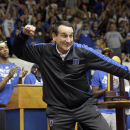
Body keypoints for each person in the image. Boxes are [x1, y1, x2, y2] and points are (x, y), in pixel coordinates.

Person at [13, 21, 130, 130]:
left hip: (84, 106)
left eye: (71, 36)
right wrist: (23, 36)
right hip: (58, 110)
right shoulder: (43, 51)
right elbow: (18, 51)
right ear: (54, 36)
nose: (68, 40)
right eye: (64, 36)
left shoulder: (82, 52)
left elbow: (111, 64)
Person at [0, 41, 28, 130]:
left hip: (14, 109)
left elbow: (19, 91)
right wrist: (8, 77)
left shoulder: (15, 68)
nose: (5, 50)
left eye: (6, 47)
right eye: (1, 48)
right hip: (1, 109)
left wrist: (20, 78)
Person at [91, 48, 117, 130]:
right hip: (103, 110)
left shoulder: (117, 72)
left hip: (117, 110)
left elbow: (121, 91)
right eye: (105, 55)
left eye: (109, 55)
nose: (107, 57)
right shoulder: (98, 72)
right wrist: (108, 87)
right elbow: (94, 93)